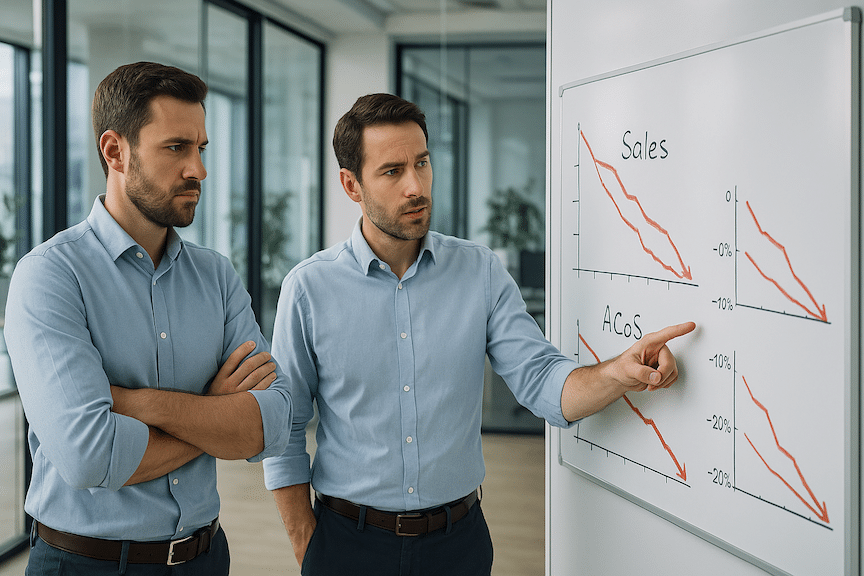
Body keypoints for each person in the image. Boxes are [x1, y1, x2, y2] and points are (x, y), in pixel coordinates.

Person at [262, 93, 695, 575]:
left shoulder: (479, 271)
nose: (415, 186)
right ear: (351, 185)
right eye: (392, 171)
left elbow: (542, 381)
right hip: (347, 545)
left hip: (458, 545)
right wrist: (308, 546)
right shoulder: (308, 288)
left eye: (422, 164)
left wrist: (619, 371)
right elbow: (284, 430)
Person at [4, 61, 293, 576]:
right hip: (86, 565)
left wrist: (139, 405)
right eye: (176, 147)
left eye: (201, 148)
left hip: (205, 558)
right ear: (115, 151)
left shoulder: (216, 277)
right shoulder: (49, 276)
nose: (198, 169)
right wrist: (213, 412)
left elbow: (270, 425)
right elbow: (89, 457)